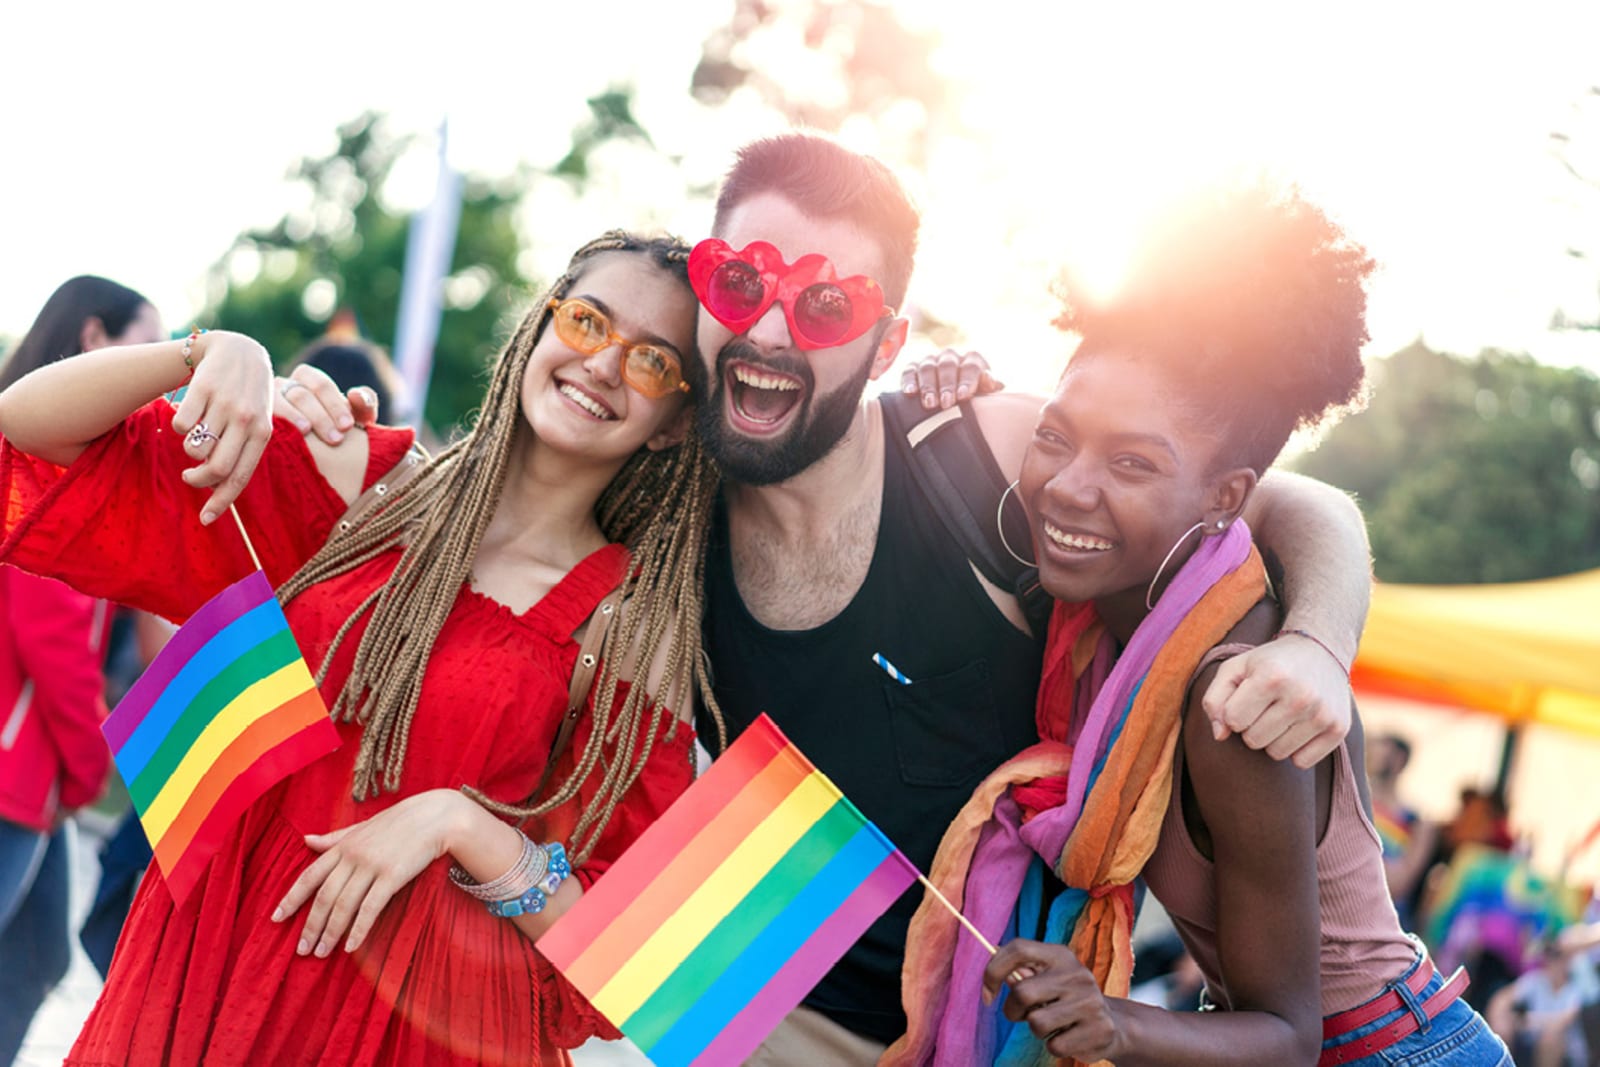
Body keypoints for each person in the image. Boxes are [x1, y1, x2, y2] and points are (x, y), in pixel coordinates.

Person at [679, 131, 1376, 1058]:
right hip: (783, 994)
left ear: (888, 340)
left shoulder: (1222, 668)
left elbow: (1293, 498)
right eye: (737, 283)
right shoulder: (661, 511)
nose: (769, 329)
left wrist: (1322, 644)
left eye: (823, 306)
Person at [0, 231, 722, 1066]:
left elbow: (631, 960)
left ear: (674, 422)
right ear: (543, 322)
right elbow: (28, 429)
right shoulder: (365, 480)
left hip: (407, 1026)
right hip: (202, 965)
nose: (603, 363)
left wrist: (460, 825)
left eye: (653, 363)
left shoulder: (631, 624)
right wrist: (204, 353)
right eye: (591, 321)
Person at [886, 181, 1509, 1065]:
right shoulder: (1103, 620)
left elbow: (1291, 1036)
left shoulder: (1237, 689)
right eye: (1057, 436)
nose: (1068, 486)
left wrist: (1116, 1018)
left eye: (1133, 463)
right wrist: (963, 395)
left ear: (1225, 501)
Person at [0, 275, 164, 1064]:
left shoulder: (82, 460)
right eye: (152, 340)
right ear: (96, 339)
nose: (161, 366)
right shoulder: (42, 457)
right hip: (15, 762)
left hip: (31, 766)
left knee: (38, 958)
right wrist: (86, 766)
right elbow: (51, 634)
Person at [1366, 731, 1439, 931]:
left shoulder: (1417, 822)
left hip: (1386, 923)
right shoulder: (1351, 802)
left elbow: (1400, 883)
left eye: (1383, 751)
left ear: (1399, 760)